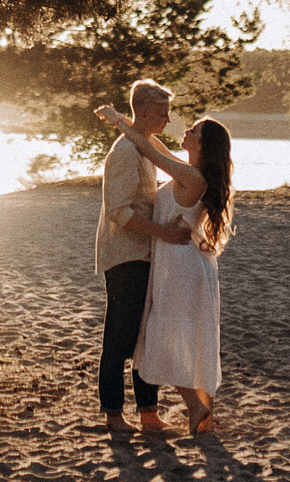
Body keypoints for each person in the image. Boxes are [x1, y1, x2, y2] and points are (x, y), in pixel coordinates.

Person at [95, 103, 233, 433]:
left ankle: (196, 406)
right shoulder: (187, 171)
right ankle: (199, 409)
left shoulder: (191, 177)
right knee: (176, 334)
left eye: (195, 131)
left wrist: (116, 120)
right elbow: (151, 143)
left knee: (165, 335)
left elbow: (148, 148)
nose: (185, 130)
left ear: (203, 145)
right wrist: (132, 122)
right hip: (175, 261)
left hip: (180, 264)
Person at [94, 79, 176, 433]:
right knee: (120, 336)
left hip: (145, 255)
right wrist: (166, 234)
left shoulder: (143, 147)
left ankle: (148, 413)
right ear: (142, 112)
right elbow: (119, 212)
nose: (168, 120)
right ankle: (114, 414)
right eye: (163, 112)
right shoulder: (125, 152)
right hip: (125, 256)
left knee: (147, 335)